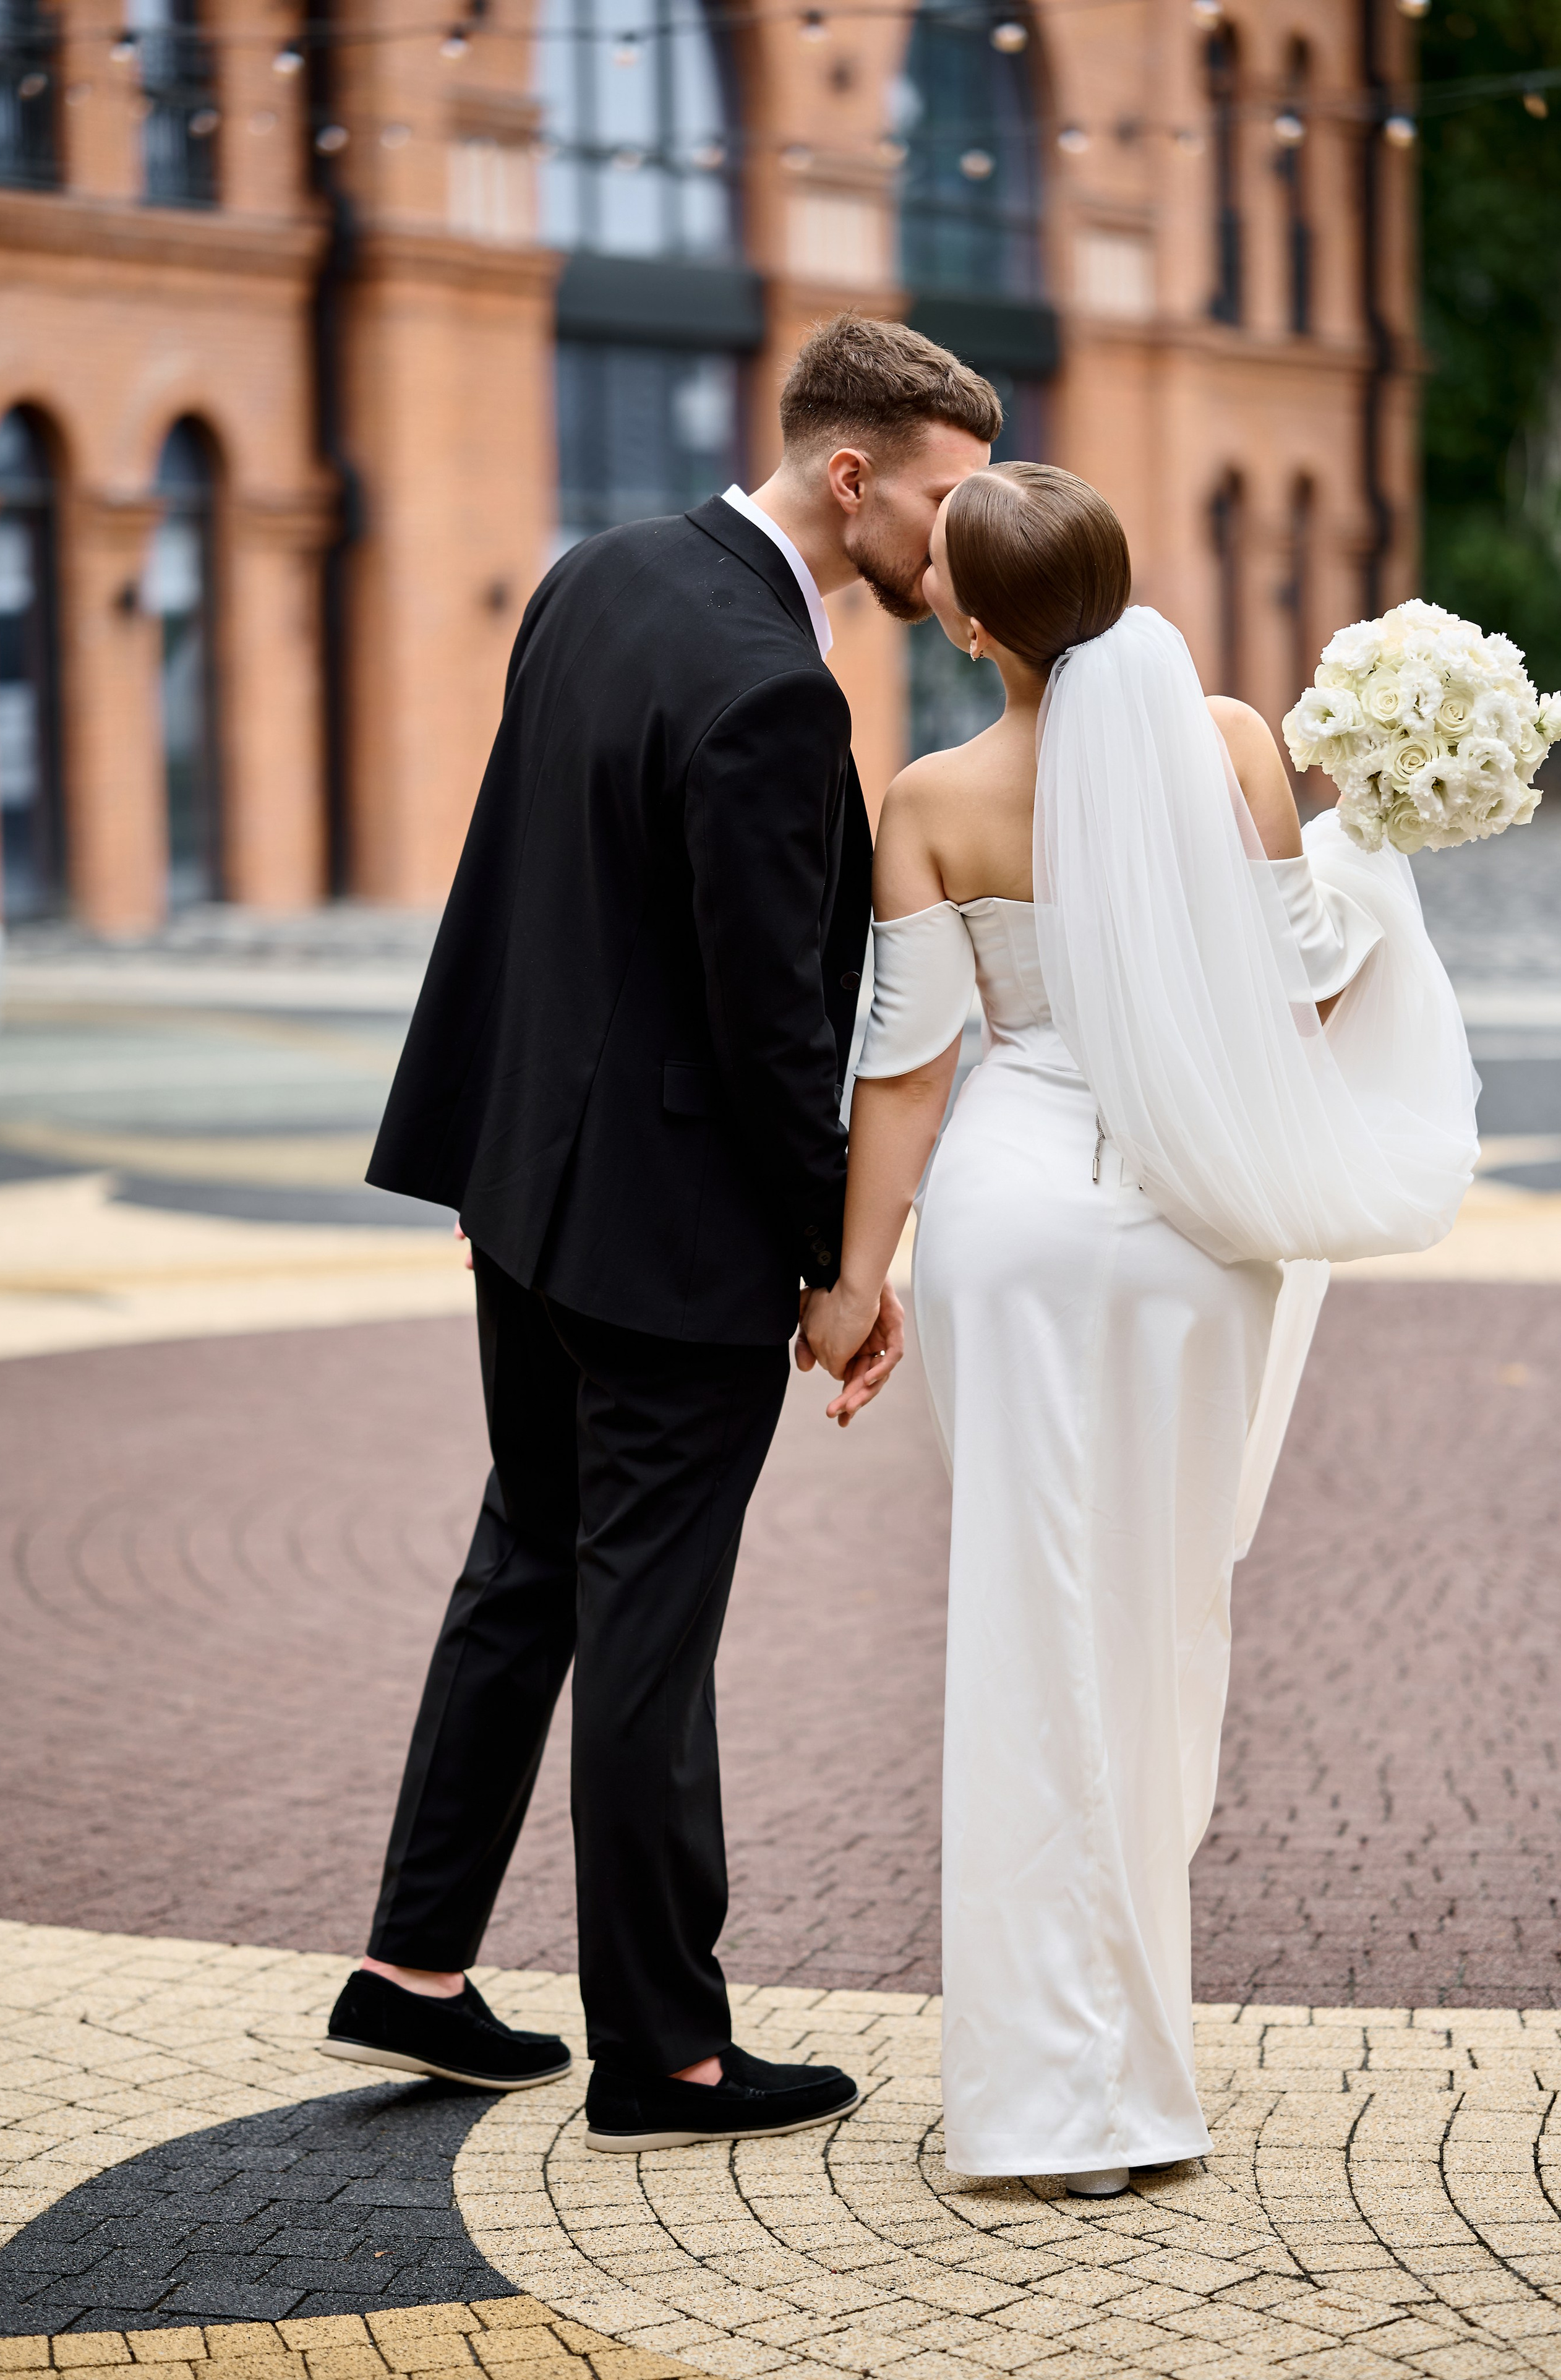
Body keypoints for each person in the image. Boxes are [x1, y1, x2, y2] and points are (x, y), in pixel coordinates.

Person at [319, 315, 999, 2151]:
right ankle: (671, 2057)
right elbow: (776, 1021)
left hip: (524, 1192)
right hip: (670, 1239)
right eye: (943, 498)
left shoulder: (597, 574)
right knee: (645, 1630)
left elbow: (531, 884)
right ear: (853, 477)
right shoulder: (780, 691)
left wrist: (499, 1153)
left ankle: (418, 1971)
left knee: (527, 1564)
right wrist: (836, 1270)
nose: (960, 533)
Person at [802, 463, 1478, 2195]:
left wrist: (853, 1285)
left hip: (1012, 1229)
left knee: (1029, 1632)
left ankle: (1047, 2099)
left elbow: (905, 1068)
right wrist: (1372, 845)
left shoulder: (934, 798)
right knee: (1162, 1628)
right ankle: (1132, 2084)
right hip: (1190, 1238)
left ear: (966, 623)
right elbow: (1304, 986)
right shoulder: (1239, 742)